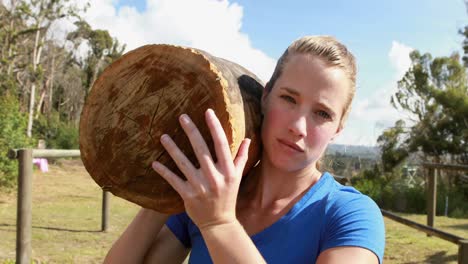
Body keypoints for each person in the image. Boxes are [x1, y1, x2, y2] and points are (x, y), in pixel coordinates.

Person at [104, 36, 385, 264]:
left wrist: (219, 224)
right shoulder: (211, 193)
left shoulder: (349, 215)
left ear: (338, 128)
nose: (298, 126)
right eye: (288, 98)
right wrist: (168, 193)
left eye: (322, 114)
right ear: (266, 97)